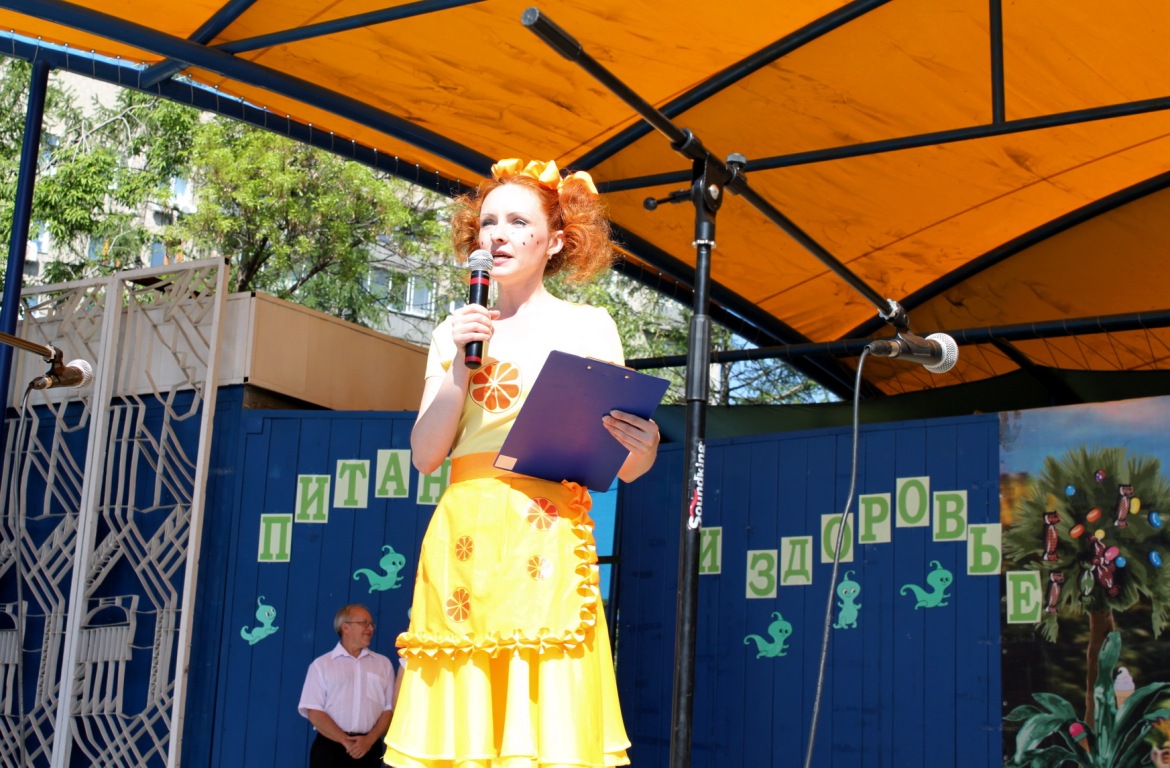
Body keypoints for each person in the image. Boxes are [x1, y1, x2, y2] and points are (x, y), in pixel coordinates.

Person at [383, 158, 660, 768]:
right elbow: (426, 454)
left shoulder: (589, 326)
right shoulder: (452, 331)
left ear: (556, 240)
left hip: (546, 532)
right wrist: (461, 362)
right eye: (488, 222)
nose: (498, 235)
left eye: (517, 221)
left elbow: (624, 467)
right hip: (465, 535)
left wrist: (643, 447)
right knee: (463, 708)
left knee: (542, 712)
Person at [299, 604, 397, 767]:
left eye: (371, 624)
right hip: (330, 748)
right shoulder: (321, 665)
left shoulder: (383, 664)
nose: (370, 628)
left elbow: (389, 709)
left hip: (369, 748)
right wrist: (345, 741)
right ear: (345, 627)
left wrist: (369, 740)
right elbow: (314, 711)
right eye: (364, 623)